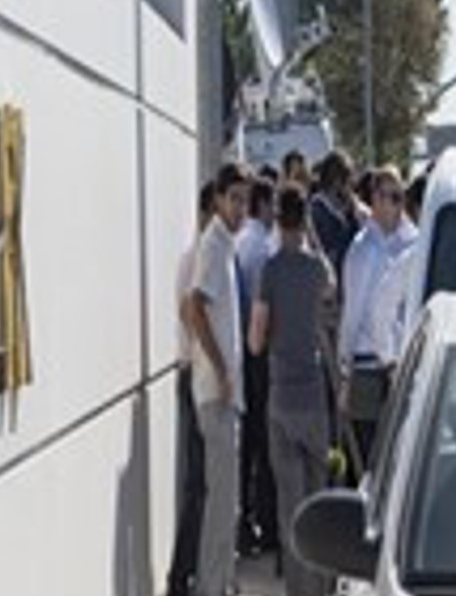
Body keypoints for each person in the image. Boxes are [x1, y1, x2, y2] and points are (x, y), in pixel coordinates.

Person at [248, 183, 336, 596]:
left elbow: (255, 340)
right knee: (318, 497)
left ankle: (298, 590)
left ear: (277, 220)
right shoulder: (316, 269)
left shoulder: (270, 270)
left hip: (282, 393)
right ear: (304, 221)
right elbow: (332, 287)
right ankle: (322, 585)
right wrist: (313, 238)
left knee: (291, 504)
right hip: (313, 392)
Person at [184, 162, 252, 596]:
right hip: (217, 394)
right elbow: (194, 307)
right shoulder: (213, 245)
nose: (241, 208)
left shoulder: (225, 245)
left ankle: (222, 582)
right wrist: (222, 369)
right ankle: (211, 586)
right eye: (234, 199)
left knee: (228, 502)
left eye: (245, 200)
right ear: (218, 200)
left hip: (225, 394)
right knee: (221, 503)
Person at [337, 166, 418, 467]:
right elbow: (353, 311)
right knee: (368, 454)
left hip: (402, 362)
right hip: (366, 364)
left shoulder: (413, 244)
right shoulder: (362, 250)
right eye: (389, 197)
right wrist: (345, 366)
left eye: (400, 197)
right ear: (375, 200)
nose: (396, 205)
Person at [167, 182, 217, 596]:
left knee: (204, 482)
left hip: (198, 375)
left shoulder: (202, 255)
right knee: (200, 483)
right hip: (196, 376)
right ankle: (183, 575)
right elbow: (189, 312)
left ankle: (193, 571)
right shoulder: (199, 256)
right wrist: (215, 361)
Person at [235, 178, 278, 556]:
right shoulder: (263, 247)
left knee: (247, 442)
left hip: (244, 349)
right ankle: (262, 522)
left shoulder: (241, 241)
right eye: (273, 202)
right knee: (263, 441)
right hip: (259, 351)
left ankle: (244, 520)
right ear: (263, 204)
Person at [309, 150, 366, 280]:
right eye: (348, 181)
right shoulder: (317, 211)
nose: (350, 188)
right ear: (337, 181)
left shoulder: (350, 208)